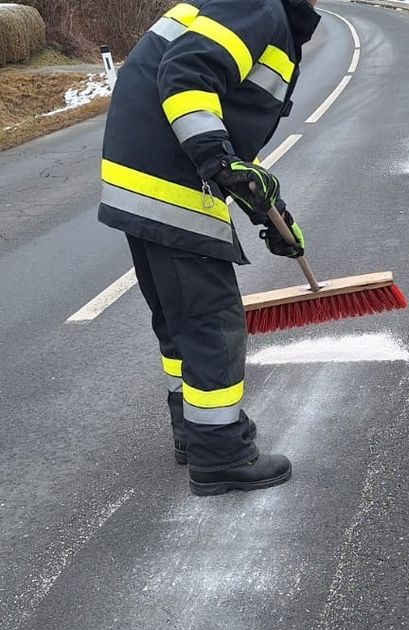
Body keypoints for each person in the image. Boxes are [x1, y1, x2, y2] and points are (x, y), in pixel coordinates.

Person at [98, 0, 321, 496]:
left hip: (138, 173)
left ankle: (194, 434)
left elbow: (229, 127)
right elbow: (187, 75)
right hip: (171, 173)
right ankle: (220, 454)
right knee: (212, 321)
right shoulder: (259, 6)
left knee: (180, 320)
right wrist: (217, 160)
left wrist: (272, 211)